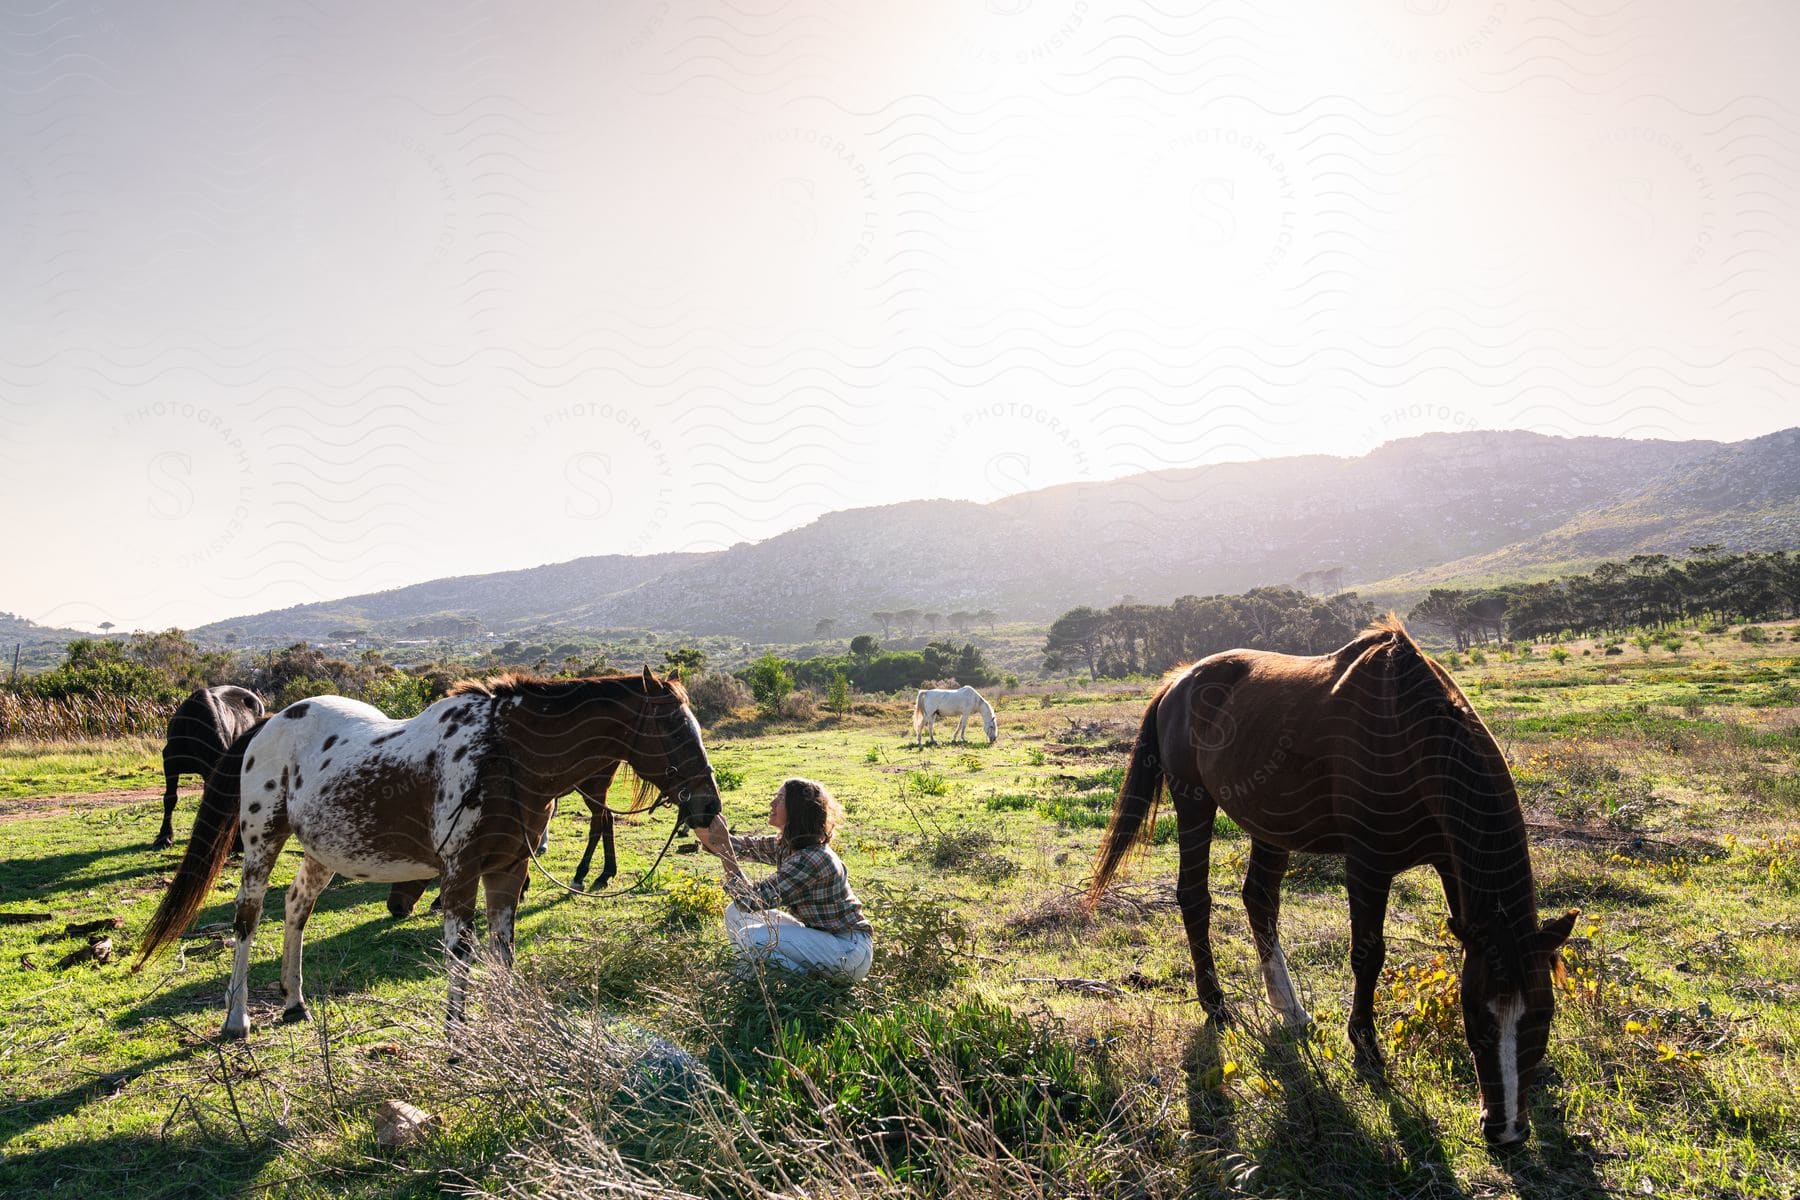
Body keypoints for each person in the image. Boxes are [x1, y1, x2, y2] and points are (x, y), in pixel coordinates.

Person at [693, 777, 874, 981]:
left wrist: (724, 847)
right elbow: (737, 846)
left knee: (750, 937)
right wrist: (699, 819)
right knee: (735, 913)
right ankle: (752, 976)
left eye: (779, 799)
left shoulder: (812, 859)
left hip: (847, 952)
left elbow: (750, 900)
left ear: (795, 809)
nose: (771, 804)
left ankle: (806, 985)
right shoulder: (789, 844)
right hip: (824, 941)